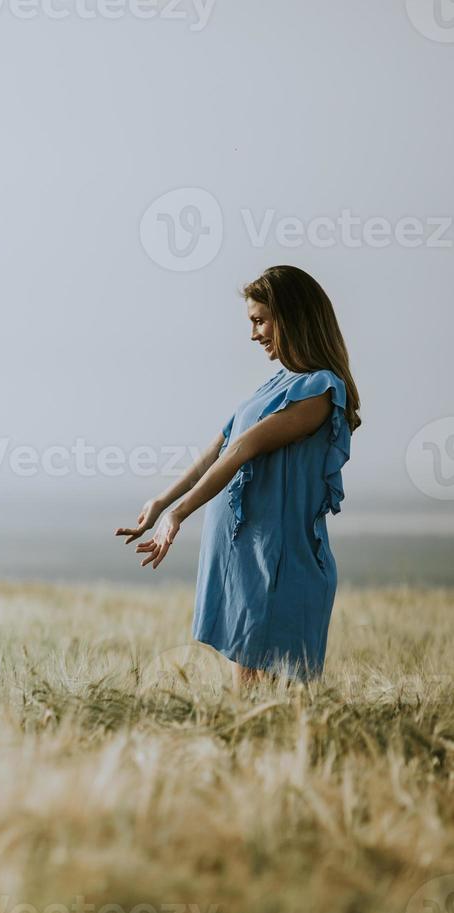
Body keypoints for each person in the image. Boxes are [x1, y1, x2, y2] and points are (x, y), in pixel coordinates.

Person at [116, 266, 361, 686]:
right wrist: (162, 502)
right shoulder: (276, 383)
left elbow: (243, 448)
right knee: (244, 699)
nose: (254, 334)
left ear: (293, 317)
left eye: (260, 320)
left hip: (277, 561)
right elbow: (218, 446)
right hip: (244, 556)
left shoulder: (320, 390)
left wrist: (181, 513)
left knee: (263, 703)